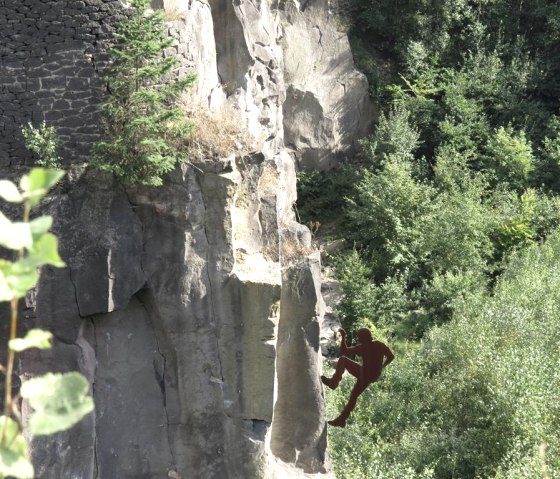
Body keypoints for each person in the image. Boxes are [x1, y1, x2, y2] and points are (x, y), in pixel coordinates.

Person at [321, 327, 394, 427]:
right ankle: (341, 419)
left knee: (343, 361)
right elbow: (391, 356)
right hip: (368, 373)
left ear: (364, 338)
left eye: (359, 337)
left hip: (367, 375)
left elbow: (344, 352)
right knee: (354, 393)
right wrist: (382, 367)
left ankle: (333, 384)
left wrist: (343, 336)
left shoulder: (366, 347)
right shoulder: (376, 345)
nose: (358, 339)